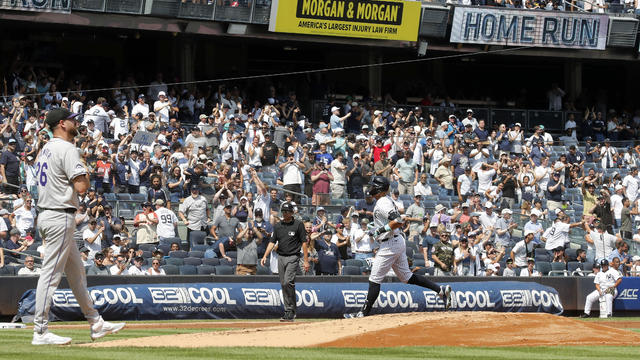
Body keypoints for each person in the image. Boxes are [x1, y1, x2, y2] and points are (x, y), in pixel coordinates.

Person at [31, 108, 124, 345]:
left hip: (51, 214)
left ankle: (96, 322)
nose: (76, 122)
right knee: (50, 274)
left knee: (76, 273)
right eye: (72, 120)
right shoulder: (67, 148)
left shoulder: (45, 149)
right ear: (62, 124)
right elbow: (82, 187)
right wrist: (86, 168)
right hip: (59, 215)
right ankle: (40, 331)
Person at [344, 176, 452, 318]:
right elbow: (391, 221)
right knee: (406, 277)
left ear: (379, 189)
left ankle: (362, 313)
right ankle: (440, 290)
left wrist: (379, 230)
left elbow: (399, 220)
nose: (370, 188)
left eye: (373, 186)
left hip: (390, 244)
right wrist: (377, 227)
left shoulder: (383, 202)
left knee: (374, 278)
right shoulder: (385, 200)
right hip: (395, 240)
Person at [260, 202, 308, 322]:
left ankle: (290, 310)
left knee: (288, 281)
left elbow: (304, 243)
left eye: (287, 211)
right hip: (280, 257)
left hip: (293, 256)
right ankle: (289, 311)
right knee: (283, 284)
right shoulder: (278, 226)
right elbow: (272, 242)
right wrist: (265, 255)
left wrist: (306, 261)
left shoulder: (298, 224)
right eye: (283, 211)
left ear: (292, 212)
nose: (285, 213)